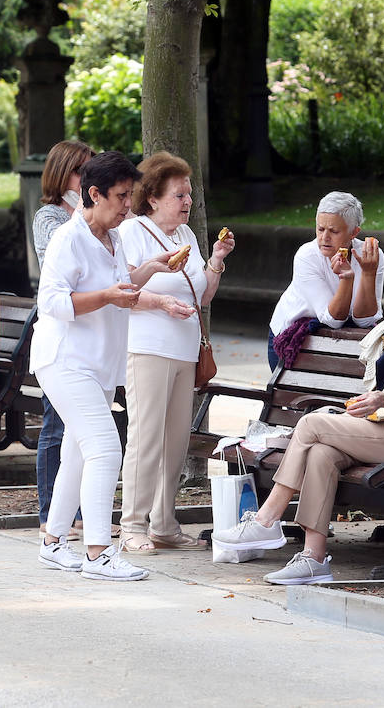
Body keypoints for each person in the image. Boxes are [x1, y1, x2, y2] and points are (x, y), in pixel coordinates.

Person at [214, 248, 384, 584]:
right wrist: (378, 403)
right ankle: (314, 559)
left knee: (311, 423)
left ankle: (267, 518)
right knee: (322, 452)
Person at [33, 151, 183, 582]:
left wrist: (148, 271)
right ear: (93, 194)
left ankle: (53, 542)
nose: (127, 205)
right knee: (104, 447)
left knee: (78, 452)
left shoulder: (113, 238)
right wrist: (108, 297)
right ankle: (98, 552)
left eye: (129, 195)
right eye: (120, 196)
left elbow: (119, 288)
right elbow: (54, 303)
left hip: (97, 363)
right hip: (66, 360)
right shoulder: (68, 238)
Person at [117, 152, 235, 553]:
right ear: (152, 198)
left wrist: (216, 261)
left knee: (175, 441)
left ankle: (163, 523)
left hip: (184, 348)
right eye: (178, 195)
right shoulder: (133, 232)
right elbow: (124, 288)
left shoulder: (185, 236)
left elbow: (200, 294)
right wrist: (161, 303)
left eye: (189, 194)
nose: (187, 202)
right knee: (146, 437)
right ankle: (131, 524)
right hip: (147, 346)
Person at [31, 139, 95, 534]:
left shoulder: (93, 217)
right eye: (81, 171)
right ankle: (51, 513)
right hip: (60, 335)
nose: (87, 179)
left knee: (82, 431)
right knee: (57, 425)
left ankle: (77, 511)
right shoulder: (51, 216)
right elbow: (64, 257)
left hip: (90, 333)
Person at [267, 191, 384, 371]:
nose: (324, 238)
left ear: (354, 232)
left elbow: (365, 321)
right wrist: (347, 278)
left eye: (334, 231)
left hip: (341, 342)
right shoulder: (307, 256)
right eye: (320, 229)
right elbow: (332, 320)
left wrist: (368, 274)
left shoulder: (371, 256)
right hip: (291, 340)